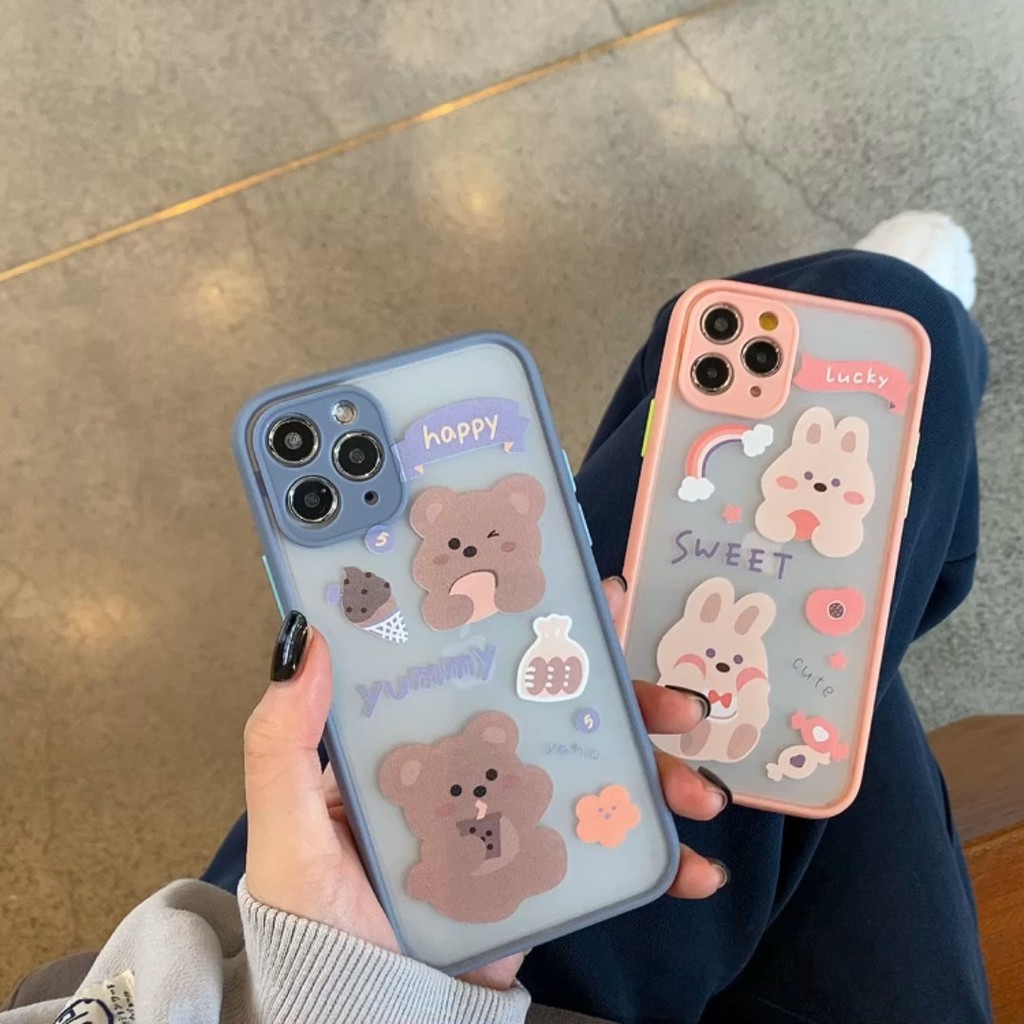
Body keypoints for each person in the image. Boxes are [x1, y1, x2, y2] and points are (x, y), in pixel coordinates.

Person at [2, 213, 992, 1024]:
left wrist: (340, 980)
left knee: (765, 628)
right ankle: (898, 449)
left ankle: (891, 513)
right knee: (872, 338)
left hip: (274, 968)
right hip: (361, 977)